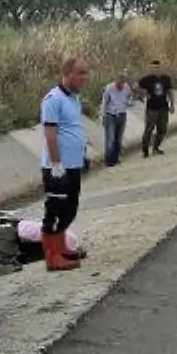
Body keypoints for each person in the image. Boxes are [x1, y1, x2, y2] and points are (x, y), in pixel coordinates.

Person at [40, 57, 91, 272]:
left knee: (69, 210)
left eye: (85, 73)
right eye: (81, 73)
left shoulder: (74, 99)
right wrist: (56, 164)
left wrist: (83, 154)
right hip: (58, 168)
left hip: (73, 165)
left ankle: (61, 249)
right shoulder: (53, 99)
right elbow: (50, 134)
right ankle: (53, 257)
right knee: (55, 211)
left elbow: (73, 129)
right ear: (68, 74)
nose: (84, 78)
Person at [135, 60, 174, 158]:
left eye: (157, 68)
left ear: (161, 68)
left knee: (162, 129)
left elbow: (170, 92)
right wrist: (144, 93)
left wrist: (172, 104)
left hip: (163, 107)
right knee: (149, 129)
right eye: (153, 68)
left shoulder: (166, 78)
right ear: (150, 69)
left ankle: (156, 147)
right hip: (152, 108)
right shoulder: (147, 79)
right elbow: (135, 87)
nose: (155, 70)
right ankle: (145, 150)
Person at [100, 72, 133, 166]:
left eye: (122, 83)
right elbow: (104, 102)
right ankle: (108, 159)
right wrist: (103, 116)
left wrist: (129, 103)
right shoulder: (109, 88)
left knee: (118, 139)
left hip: (122, 114)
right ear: (116, 81)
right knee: (110, 138)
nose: (121, 85)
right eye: (119, 82)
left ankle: (115, 158)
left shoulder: (126, 88)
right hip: (111, 115)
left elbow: (129, 97)